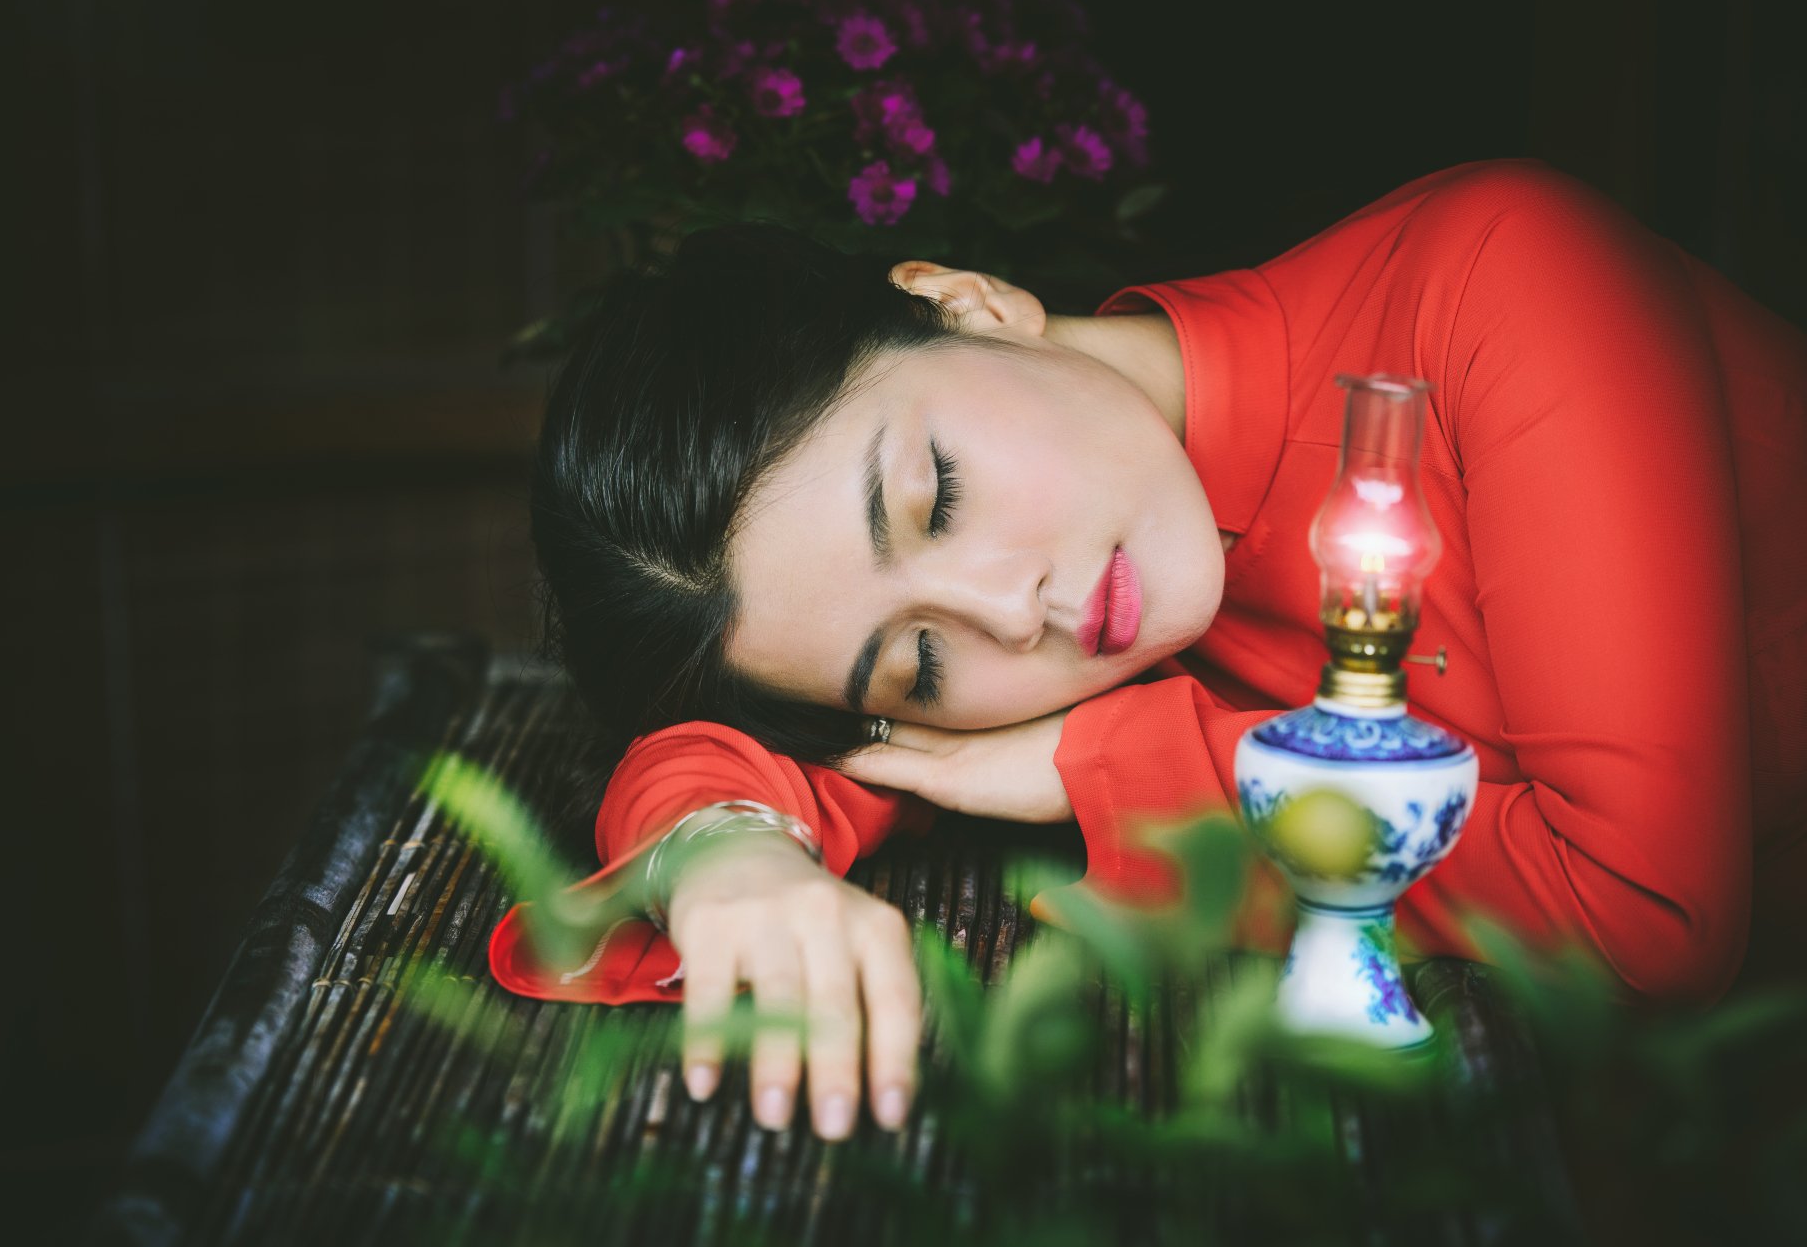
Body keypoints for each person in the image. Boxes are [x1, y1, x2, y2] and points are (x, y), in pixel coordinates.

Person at [490, 157, 1807, 1145]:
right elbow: (741, 759)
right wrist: (721, 857)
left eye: (936, 491)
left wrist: (1128, 763)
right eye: (916, 666)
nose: (1012, 614)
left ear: (966, 303)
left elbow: (1646, 919)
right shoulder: (1098, 627)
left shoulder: (1504, 279)